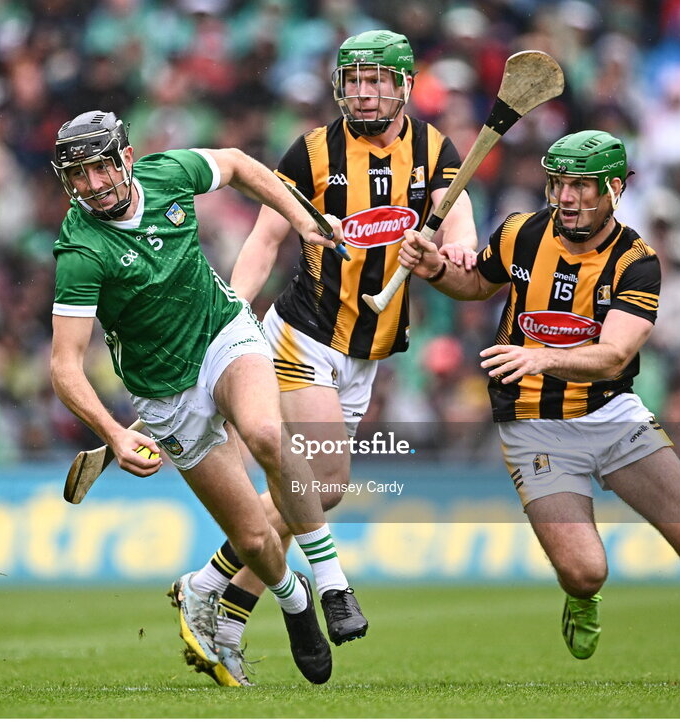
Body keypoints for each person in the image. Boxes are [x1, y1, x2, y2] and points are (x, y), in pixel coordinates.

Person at [397, 129, 680, 685]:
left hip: (612, 416)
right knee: (586, 573)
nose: (567, 198)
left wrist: (541, 358)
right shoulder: (520, 232)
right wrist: (435, 268)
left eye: (582, 186)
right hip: (534, 426)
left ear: (613, 188)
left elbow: (613, 355)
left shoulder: (638, 261)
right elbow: (478, 284)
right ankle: (580, 598)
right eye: (558, 184)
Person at [173, 29, 479, 686]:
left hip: (366, 355)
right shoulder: (312, 152)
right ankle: (230, 587)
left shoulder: (433, 151)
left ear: (402, 86)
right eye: (354, 80)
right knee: (324, 482)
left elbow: (460, 228)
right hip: (302, 336)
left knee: (305, 493)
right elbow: (263, 241)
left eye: (377, 81)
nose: (362, 92)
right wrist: (232, 314)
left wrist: (451, 257)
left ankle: (223, 604)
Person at [48, 109, 362, 685]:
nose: (94, 185)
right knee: (253, 538)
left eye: (102, 168)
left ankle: (334, 585)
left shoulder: (168, 174)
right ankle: (296, 608)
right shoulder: (81, 252)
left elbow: (241, 166)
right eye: (79, 176)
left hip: (223, 333)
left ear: (127, 158)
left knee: (268, 435)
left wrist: (303, 219)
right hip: (164, 393)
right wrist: (115, 435)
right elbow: (64, 366)